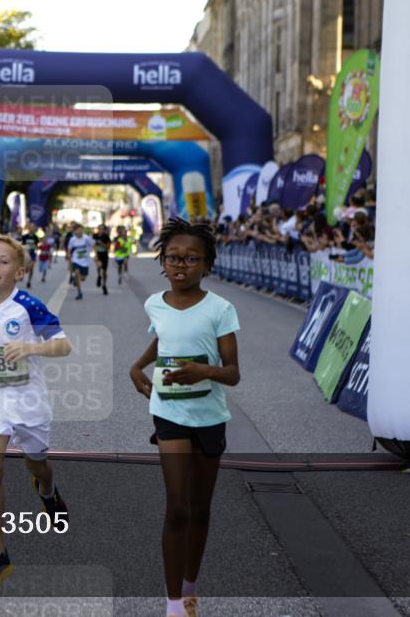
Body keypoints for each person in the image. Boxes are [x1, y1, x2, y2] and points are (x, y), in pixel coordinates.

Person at [128, 218, 240, 617]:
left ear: (207, 265)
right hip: (169, 412)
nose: (181, 266)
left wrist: (202, 372)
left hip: (209, 416)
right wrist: (136, 367)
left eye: (192, 259)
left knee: (199, 508)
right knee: (176, 507)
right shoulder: (154, 303)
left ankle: (191, 588)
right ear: (162, 262)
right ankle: (174, 602)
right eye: (173, 258)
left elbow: (233, 373)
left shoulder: (221, 310)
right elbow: (164, 338)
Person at [0, 235, 72, 591]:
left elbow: (64, 345)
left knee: (36, 463)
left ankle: (48, 491)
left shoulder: (29, 306)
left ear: (19, 272)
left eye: (3, 261)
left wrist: (29, 346)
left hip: (28, 400)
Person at [65, 223, 94, 300]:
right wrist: (68, 256)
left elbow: (93, 245)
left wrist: (95, 255)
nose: (80, 231)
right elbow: (69, 249)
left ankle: (76, 280)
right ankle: (79, 292)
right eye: (78, 230)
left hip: (85, 261)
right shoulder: (73, 239)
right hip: (76, 260)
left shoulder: (86, 238)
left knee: (83, 278)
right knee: (77, 272)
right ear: (75, 231)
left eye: (81, 230)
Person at [93, 223, 112, 295]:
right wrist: (95, 253)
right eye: (99, 229)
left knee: (104, 271)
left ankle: (104, 285)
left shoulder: (106, 237)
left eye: (102, 229)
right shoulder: (95, 236)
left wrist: (101, 243)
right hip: (98, 254)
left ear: (104, 230)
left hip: (104, 255)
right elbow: (93, 245)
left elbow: (108, 247)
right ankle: (99, 276)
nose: (100, 230)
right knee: (99, 266)